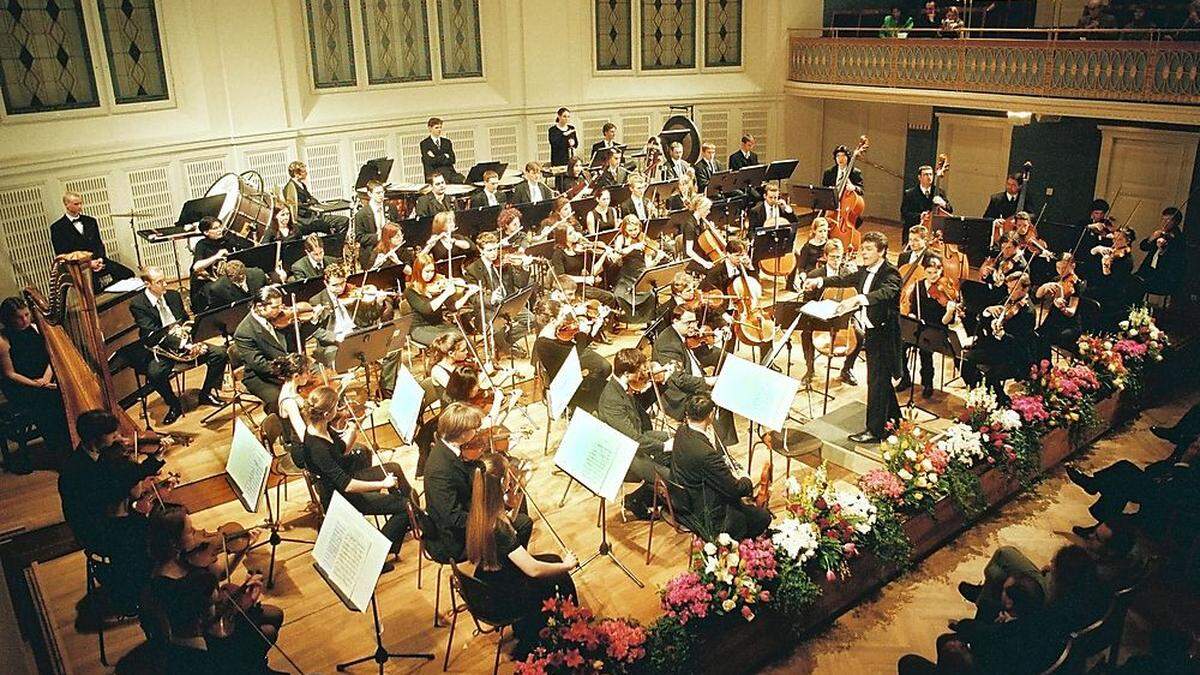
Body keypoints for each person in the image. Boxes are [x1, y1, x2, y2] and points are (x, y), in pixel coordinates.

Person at [142, 504, 285, 673]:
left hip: (202, 627)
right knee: (267, 632)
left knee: (275, 614)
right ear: (174, 543)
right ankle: (253, 667)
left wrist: (242, 548)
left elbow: (220, 574)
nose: (201, 533)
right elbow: (214, 624)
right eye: (191, 531)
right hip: (203, 646)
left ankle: (256, 663)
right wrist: (247, 600)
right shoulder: (188, 583)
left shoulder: (176, 560)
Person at [464, 452, 577, 657]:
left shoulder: (478, 511)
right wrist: (567, 565)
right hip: (504, 596)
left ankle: (535, 626)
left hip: (489, 580)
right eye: (508, 476)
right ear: (501, 484)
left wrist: (510, 505)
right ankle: (561, 634)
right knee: (560, 574)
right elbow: (532, 569)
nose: (511, 479)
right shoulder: (499, 528)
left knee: (552, 560)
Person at [804, 231, 901, 442]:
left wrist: (857, 300)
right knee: (880, 379)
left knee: (876, 381)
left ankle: (875, 432)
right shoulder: (865, 270)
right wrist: (819, 281)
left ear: (882, 251)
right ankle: (895, 420)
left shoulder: (891, 273)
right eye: (862, 248)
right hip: (873, 332)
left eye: (868, 249)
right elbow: (843, 279)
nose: (863, 253)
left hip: (885, 335)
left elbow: (885, 293)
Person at [302, 385, 411, 558]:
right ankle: (378, 554)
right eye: (336, 407)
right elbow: (347, 485)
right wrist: (383, 484)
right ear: (326, 414)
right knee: (406, 506)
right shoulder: (317, 447)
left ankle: (412, 521)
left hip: (346, 479)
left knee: (394, 468)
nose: (339, 410)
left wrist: (354, 428)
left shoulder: (323, 427)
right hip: (340, 495)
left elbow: (342, 450)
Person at [424, 403, 533, 562]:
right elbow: (453, 518)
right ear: (462, 434)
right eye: (474, 430)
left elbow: (465, 468)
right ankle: (507, 567)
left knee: (510, 497)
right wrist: (491, 522)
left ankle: (513, 556)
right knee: (523, 524)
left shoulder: (446, 446)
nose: (477, 433)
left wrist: (494, 467)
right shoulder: (439, 471)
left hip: (467, 508)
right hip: (454, 539)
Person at [900, 572, 1060, 675]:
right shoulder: (1041, 620)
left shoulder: (1004, 635)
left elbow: (979, 633)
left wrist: (963, 650)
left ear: (1010, 603)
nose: (1000, 593)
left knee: (909, 662)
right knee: (944, 640)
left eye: (1004, 591)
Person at [130, 267, 228, 424]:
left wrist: (192, 339)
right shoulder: (138, 304)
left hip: (184, 341)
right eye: (159, 282)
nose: (165, 284)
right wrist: (184, 345)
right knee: (155, 374)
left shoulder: (173, 296)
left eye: (164, 280)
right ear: (147, 284)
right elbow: (153, 333)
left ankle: (205, 393)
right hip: (160, 348)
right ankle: (174, 404)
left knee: (220, 354)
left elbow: (185, 319)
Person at [58, 410, 163, 554]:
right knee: (159, 530)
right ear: (95, 438)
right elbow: (116, 488)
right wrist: (149, 463)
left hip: (113, 515)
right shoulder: (77, 471)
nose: (119, 438)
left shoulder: (102, 453)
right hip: (101, 530)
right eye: (113, 435)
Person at [671, 394, 771, 540]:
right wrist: (745, 478)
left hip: (684, 499)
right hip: (706, 512)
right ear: (711, 415)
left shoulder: (681, 431)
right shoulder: (705, 454)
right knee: (763, 517)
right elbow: (735, 490)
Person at [958, 544, 1108, 636]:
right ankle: (991, 590)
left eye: (1053, 565)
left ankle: (989, 594)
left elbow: (1027, 629)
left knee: (1002, 559)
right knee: (998, 573)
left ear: (1060, 577)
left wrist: (1012, 621)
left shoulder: (1050, 616)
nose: (1089, 535)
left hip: (1040, 607)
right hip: (1049, 602)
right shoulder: (1093, 588)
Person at [597, 348, 673, 518]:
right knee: (672, 476)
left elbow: (640, 417)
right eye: (639, 372)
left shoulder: (624, 385)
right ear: (626, 373)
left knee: (676, 442)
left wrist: (660, 382)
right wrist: (663, 446)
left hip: (637, 438)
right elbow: (633, 439)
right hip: (624, 453)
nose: (643, 375)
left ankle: (646, 497)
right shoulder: (612, 400)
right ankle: (640, 500)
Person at [0, 296, 71, 470]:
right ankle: (60, 451)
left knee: (67, 391)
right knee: (48, 401)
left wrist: (47, 378)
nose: (24, 320)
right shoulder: (3, 340)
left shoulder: (35, 328)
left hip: (44, 378)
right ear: (8, 319)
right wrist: (39, 384)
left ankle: (72, 445)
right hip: (21, 386)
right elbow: (10, 374)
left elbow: (51, 357)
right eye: (19, 317)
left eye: (26, 314)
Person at [652, 306, 737, 446]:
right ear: (675, 321)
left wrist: (709, 343)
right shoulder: (667, 344)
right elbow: (679, 379)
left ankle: (723, 447)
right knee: (718, 399)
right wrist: (708, 381)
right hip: (677, 396)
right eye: (688, 323)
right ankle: (715, 449)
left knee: (726, 395)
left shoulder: (683, 335)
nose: (693, 326)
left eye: (694, 322)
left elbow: (696, 355)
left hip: (691, 383)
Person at [794, 239, 864, 385]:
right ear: (825, 257)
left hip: (844, 314)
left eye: (839, 257)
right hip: (822, 316)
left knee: (860, 335)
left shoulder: (849, 273)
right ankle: (810, 369)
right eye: (832, 257)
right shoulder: (815, 274)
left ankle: (846, 370)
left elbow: (857, 297)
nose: (836, 260)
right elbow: (808, 300)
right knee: (806, 334)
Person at [961, 272, 1035, 403]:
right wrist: (988, 310)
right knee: (966, 360)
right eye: (1008, 288)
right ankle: (981, 393)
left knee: (991, 375)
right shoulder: (1007, 300)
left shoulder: (1028, 312)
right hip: (996, 348)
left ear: (1025, 289)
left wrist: (1003, 335)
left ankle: (1001, 400)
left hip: (1014, 356)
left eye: (1014, 289)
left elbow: (1021, 343)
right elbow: (982, 321)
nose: (1010, 292)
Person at [532, 297, 611, 414]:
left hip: (573, 373)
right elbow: (575, 356)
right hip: (567, 385)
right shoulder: (544, 342)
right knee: (606, 390)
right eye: (562, 316)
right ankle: (581, 409)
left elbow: (579, 349)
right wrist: (583, 334)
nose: (566, 319)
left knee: (604, 372)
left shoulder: (557, 332)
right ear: (553, 320)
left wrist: (595, 327)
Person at [895, 253, 957, 398]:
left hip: (937, 327)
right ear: (925, 271)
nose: (933, 276)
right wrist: (911, 316)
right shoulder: (918, 286)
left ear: (941, 270)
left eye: (936, 272)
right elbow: (912, 309)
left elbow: (947, 321)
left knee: (925, 349)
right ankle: (905, 378)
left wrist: (949, 311)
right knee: (900, 344)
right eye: (929, 272)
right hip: (919, 324)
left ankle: (927, 383)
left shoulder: (945, 288)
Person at [464, 231, 533, 357]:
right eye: (489, 250)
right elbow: (473, 298)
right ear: (480, 250)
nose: (494, 253)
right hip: (488, 309)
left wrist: (525, 268)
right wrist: (491, 299)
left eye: (495, 249)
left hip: (508, 303)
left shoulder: (503, 263)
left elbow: (521, 283)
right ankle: (505, 347)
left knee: (531, 320)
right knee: (496, 326)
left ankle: (504, 343)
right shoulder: (473, 270)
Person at [49, 191, 134, 291]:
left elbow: (98, 243)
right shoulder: (57, 227)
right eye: (76, 204)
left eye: (81, 203)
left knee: (128, 274)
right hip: (79, 268)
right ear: (66, 204)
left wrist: (100, 259)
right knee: (94, 288)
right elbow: (62, 254)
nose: (80, 206)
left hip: (98, 261)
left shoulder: (90, 221)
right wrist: (89, 264)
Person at [233, 287, 294, 412]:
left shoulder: (281, 319)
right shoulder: (244, 332)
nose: (280, 310)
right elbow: (260, 365)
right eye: (275, 307)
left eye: (280, 305)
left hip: (289, 364)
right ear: (260, 307)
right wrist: (288, 372)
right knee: (279, 400)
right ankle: (285, 429)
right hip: (262, 376)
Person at [404, 252, 480, 346]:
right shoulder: (410, 291)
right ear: (418, 271)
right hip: (420, 328)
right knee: (447, 343)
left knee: (465, 340)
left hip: (440, 325)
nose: (430, 275)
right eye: (427, 272)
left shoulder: (439, 284)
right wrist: (446, 293)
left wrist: (467, 294)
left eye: (432, 271)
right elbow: (426, 309)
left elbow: (453, 307)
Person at [611, 215, 667, 323]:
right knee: (619, 294)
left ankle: (647, 320)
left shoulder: (644, 239)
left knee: (651, 295)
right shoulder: (621, 238)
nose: (634, 233)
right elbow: (617, 255)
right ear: (625, 229)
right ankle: (631, 319)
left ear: (640, 227)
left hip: (640, 275)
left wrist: (657, 259)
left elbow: (648, 265)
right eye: (630, 230)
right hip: (625, 275)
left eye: (636, 229)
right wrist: (632, 247)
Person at [189, 216, 248, 312]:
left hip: (227, 279)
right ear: (206, 232)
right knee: (219, 290)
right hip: (208, 282)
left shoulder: (226, 240)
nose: (219, 230)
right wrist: (216, 256)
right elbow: (196, 266)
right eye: (215, 228)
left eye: (220, 227)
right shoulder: (202, 244)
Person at [550, 224, 618, 307]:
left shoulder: (581, 250)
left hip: (584, 284)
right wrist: (584, 279)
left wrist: (604, 254)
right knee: (609, 297)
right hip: (572, 288)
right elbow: (562, 277)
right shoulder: (558, 254)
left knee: (610, 291)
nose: (575, 234)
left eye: (574, 231)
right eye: (570, 233)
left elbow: (592, 271)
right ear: (563, 237)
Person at [282, 161, 348, 235]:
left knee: (343, 220)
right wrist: (311, 207)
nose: (306, 173)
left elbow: (312, 199)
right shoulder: (289, 188)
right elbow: (297, 206)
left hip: (312, 216)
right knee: (341, 221)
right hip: (305, 220)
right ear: (296, 174)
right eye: (304, 172)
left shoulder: (301, 184)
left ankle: (336, 242)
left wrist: (311, 203)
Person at [1136, 206, 1187, 301]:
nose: (1164, 223)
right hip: (1148, 271)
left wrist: (1162, 250)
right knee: (1130, 281)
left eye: (1168, 220)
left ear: (1176, 222)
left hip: (1162, 277)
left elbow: (1173, 263)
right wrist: (1152, 237)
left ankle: (1136, 310)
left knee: (1138, 285)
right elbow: (1143, 247)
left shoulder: (1179, 240)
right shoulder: (1161, 234)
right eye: (1163, 219)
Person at [352, 180, 400, 270]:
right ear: (370, 194)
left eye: (382, 192)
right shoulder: (361, 214)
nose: (381, 195)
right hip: (372, 251)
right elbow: (359, 237)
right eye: (378, 193)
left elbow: (397, 227)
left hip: (391, 248)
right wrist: (379, 237)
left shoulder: (390, 207)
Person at [900, 164, 953, 239]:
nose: (929, 177)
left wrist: (943, 203)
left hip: (932, 234)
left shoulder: (939, 192)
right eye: (926, 174)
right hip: (915, 231)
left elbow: (950, 210)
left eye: (931, 174)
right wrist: (920, 216)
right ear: (919, 177)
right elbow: (904, 213)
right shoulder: (910, 193)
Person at [681, 194, 717, 276]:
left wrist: (711, 229)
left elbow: (703, 239)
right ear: (700, 208)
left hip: (701, 253)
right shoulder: (689, 225)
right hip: (692, 259)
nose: (709, 212)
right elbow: (689, 251)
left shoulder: (700, 221)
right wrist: (704, 263)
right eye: (707, 209)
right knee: (714, 272)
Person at [420, 117, 464, 183]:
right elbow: (430, 161)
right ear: (430, 128)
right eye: (436, 127)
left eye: (440, 127)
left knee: (463, 179)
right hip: (434, 174)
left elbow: (452, 159)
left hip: (449, 173)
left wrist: (436, 157)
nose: (439, 130)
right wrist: (445, 156)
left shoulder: (447, 142)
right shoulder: (425, 144)